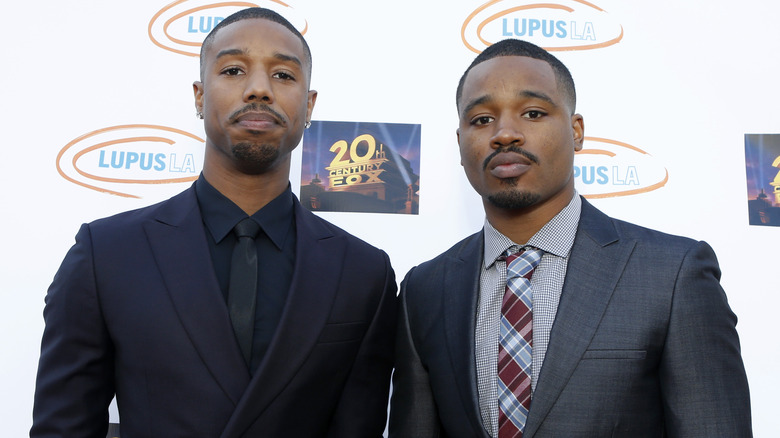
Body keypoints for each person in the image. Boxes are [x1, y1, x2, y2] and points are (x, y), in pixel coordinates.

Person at [31, 8, 396, 437]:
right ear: (200, 96)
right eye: (234, 70)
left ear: (309, 104)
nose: (259, 89)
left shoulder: (362, 273)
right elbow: (63, 427)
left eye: (283, 75)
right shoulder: (106, 253)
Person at [389, 39, 752, 437]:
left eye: (532, 113)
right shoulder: (424, 291)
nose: (505, 134)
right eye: (481, 120)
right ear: (460, 144)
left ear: (576, 132)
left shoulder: (672, 275)